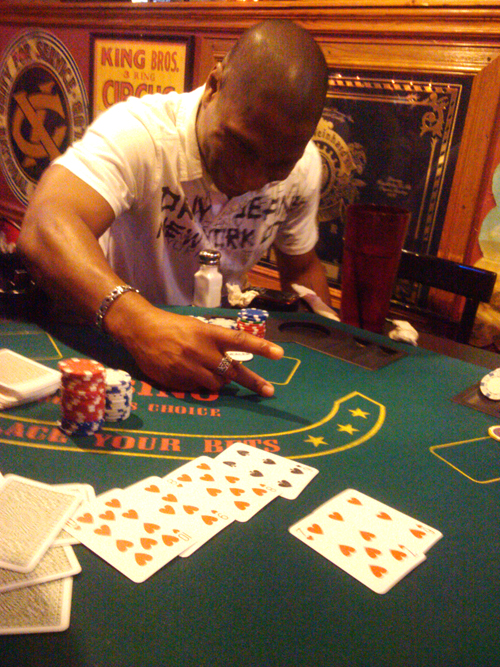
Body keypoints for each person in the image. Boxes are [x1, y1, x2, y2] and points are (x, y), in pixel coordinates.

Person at [18, 19, 331, 398]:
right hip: (117, 344)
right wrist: (138, 323)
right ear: (214, 86)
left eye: (278, 166)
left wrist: (334, 347)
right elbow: (45, 223)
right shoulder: (140, 132)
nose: (250, 178)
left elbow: (301, 268)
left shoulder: (305, 166)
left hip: (218, 355)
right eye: (241, 146)